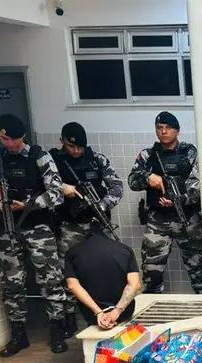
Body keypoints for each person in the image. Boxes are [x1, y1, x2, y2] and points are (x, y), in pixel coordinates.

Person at [0, 114, 68, 355]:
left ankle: (57, 330)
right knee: (11, 282)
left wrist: (29, 205)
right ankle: (18, 334)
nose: (10, 144)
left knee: (50, 279)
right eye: (5, 139)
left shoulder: (39, 157)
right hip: (6, 229)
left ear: (23, 137)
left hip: (37, 228)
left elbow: (56, 194)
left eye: (14, 139)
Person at [50, 121, 124, 337]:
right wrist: (61, 189)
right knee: (67, 272)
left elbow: (116, 186)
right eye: (71, 146)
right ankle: (69, 318)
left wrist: (103, 205)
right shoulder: (53, 162)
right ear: (62, 141)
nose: (76, 151)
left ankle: (109, 312)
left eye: (80, 147)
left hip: (97, 223)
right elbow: (41, 187)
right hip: (69, 226)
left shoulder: (97, 160)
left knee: (107, 266)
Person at [128, 111, 202, 294]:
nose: (163, 132)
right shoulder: (148, 155)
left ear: (177, 131)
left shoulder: (190, 153)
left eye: (168, 128)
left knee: (200, 272)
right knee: (151, 271)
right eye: (159, 128)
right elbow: (132, 181)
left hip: (187, 218)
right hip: (158, 220)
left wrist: (181, 199)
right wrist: (148, 177)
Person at [65, 223, 140, 329]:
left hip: (92, 314)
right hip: (124, 312)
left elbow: (73, 286)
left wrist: (99, 312)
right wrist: (117, 310)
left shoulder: (72, 253)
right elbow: (135, 284)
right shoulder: (125, 249)